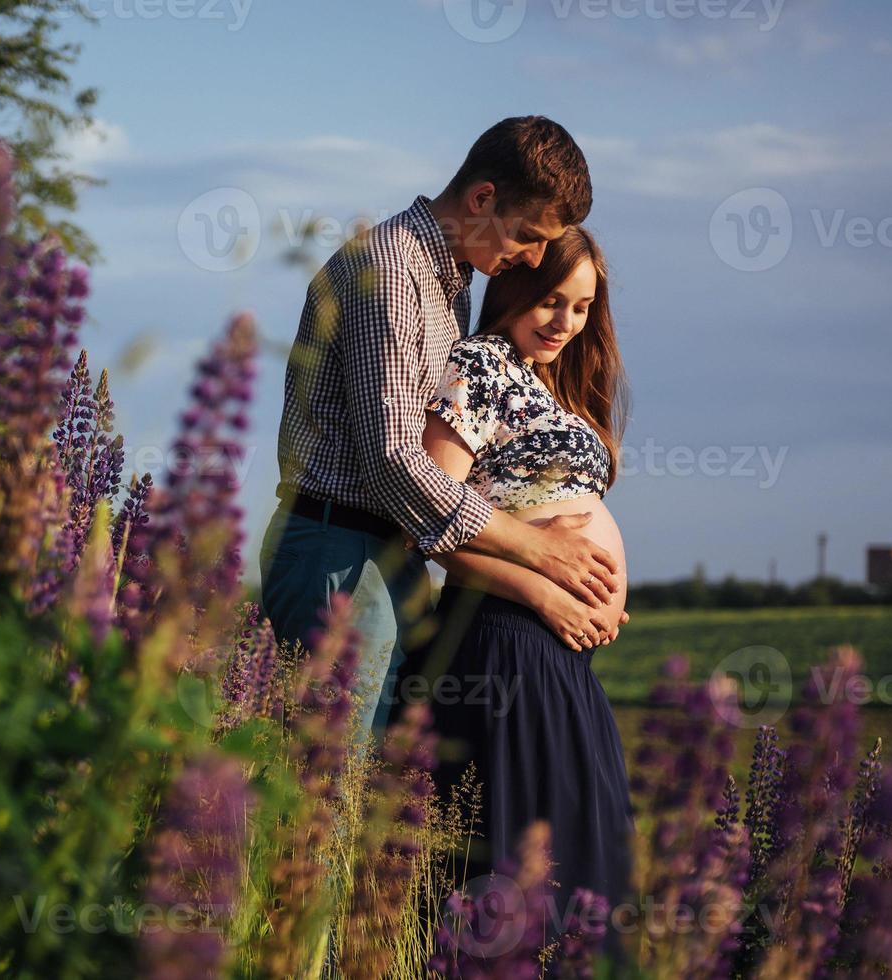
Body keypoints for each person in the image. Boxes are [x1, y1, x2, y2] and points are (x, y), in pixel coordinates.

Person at [260, 116, 626, 746]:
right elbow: (395, 460)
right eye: (528, 235)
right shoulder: (395, 273)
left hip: (384, 556)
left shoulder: (445, 278)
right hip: (341, 550)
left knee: (369, 792)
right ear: (482, 198)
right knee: (329, 791)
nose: (534, 259)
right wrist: (541, 552)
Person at [411, 225, 636, 965]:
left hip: (563, 657)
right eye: (548, 301)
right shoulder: (478, 365)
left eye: (578, 309)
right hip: (502, 638)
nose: (562, 323)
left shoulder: (560, 386)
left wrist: (594, 597)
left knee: (581, 861)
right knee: (509, 871)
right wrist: (545, 595)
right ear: (512, 290)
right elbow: (436, 523)